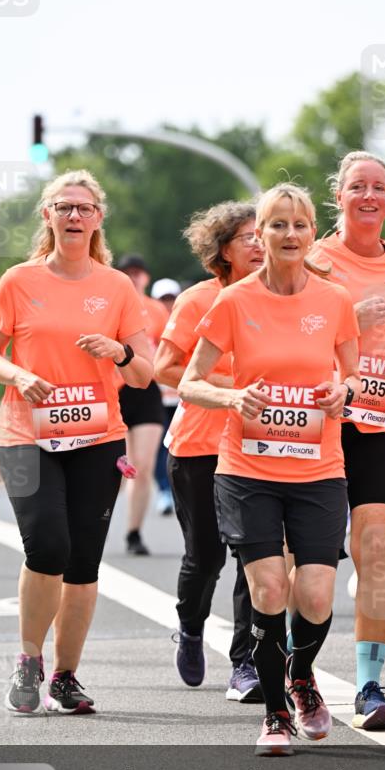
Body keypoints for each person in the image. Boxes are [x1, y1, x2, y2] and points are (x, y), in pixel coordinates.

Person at [180, 184, 360, 755]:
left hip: (318, 467)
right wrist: (232, 398)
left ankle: (301, 675)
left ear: (312, 233)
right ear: (259, 234)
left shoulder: (335, 301)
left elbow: (353, 378)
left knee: (315, 595)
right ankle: (276, 714)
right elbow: (189, 381)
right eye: (276, 225)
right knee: (268, 585)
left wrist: (344, 392)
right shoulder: (232, 302)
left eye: (299, 224)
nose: (288, 235)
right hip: (246, 468)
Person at [0, 170, 153, 716]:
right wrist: (17, 375)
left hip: (98, 437)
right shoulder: (18, 281)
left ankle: (66, 676)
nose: (74, 216)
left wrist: (119, 352)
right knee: (47, 546)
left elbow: (146, 372)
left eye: (84, 208)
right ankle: (28, 661)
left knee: (82, 563)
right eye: (63, 207)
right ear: (47, 217)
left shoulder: (117, 287)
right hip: (26, 434)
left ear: (98, 219)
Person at [310, 151, 385, 730]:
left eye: (378, 187)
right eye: (357, 186)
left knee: (376, 553)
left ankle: (368, 686)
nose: (368, 196)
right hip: (317, 418)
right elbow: (293, 333)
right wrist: (350, 316)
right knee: (309, 563)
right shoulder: (313, 257)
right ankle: (298, 672)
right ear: (339, 196)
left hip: (382, 419)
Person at [154, 201, 264, 700]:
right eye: (249, 237)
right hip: (199, 445)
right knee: (206, 556)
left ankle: (246, 664)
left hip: (261, 447)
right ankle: (192, 628)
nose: (261, 244)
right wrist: (228, 387)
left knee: (255, 558)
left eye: (266, 234)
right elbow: (164, 368)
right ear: (222, 250)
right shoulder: (198, 300)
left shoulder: (282, 298)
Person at [116, 254, 170, 553]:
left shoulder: (156, 310)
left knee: (143, 466)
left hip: (147, 388)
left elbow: (165, 348)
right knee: (115, 467)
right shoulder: (109, 304)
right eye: (128, 272)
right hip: (115, 390)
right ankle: (94, 522)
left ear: (146, 278)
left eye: (138, 272)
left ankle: (134, 533)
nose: (133, 277)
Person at [151, 277, 182, 515]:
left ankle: (176, 489)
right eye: (163, 299)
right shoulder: (149, 321)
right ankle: (164, 490)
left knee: (177, 446)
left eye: (171, 298)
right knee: (160, 447)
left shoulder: (185, 319)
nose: (167, 304)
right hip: (157, 397)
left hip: (181, 396)